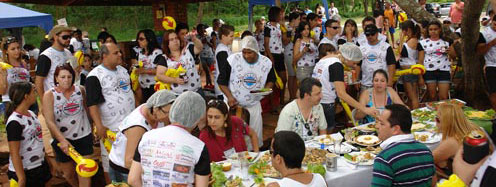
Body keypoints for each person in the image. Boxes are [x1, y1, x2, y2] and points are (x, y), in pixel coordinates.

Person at [128, 91, 210, 186]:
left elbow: (133, 179)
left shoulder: (147, 137)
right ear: (198, 118)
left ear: (173, 111)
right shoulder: (199, 147)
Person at [86, 42, 136, 180]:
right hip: (111, 128)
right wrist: (99, 125)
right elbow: (92, 104)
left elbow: (130, 92)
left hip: (130, 125)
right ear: (104, 56)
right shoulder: (94, 76)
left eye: (119, 52)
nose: (120, 54)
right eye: (115, 53)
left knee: (130, 159)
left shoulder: (123, 70)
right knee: (110, 161)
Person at [218, 36, 276, 148]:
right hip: (234, 106)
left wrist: (264, 91)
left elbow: (271, 80)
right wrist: (230, 97)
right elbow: (221, 82)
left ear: (256, 50)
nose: (246, 56)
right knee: (234, 135)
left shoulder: (266, 63)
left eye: (250, 53)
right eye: (244, 52)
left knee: (254, 135)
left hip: (253, 104)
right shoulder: (232, 60)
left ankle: (253, 156)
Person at [108, 90, 176, 183]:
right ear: (155, 108)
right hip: (124, 171)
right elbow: (128, 161)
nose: (169, 117)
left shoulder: (150, 110)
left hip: (141, 164)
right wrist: (154, 173)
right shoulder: (137, 127)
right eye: (166, 113)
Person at [42, 64, 92, 187]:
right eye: (63, 77)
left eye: (69, 77)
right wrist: (62, 140)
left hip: (83, 135)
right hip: (62, 139)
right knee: (68, 173)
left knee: (84, 172)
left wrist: (92, 126)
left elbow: (87, 110)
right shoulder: (49, 95)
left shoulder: (80, 90)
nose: (66, 80)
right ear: (56, 78)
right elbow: (49, 121)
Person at [372, 104, 435, 186]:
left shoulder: (385, 158)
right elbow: (433, 182)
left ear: (395, 129)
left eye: (382, 124)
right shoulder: (426, 150)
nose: (377, 126)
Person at [6, 82, 51, 187]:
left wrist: (47, 161)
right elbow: (14, 153)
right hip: (26, 170)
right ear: (26, 96)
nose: (35, 94)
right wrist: (21, 177)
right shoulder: (15, 122)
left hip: (39, 165)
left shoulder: (31, 114)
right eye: (33, 92)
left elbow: (38, 141)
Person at [432, 103, 480, 179]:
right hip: (480, 173)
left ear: (447, 123)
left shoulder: (451, 142)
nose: (435, 122)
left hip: (464, 179)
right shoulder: (473, 127)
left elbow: (429, 160)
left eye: (437, 119)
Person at [155, 30, 203, 96]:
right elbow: (159, 75)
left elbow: (199, 48)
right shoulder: (164, 58)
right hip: (178, 95)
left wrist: (194, 39)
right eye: (171, 39)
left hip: (196, 91)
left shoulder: (188, 49)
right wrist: (175, 80)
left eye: (176, 38)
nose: (175, 41)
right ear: (167, 44)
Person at [35, 25, 73, 103]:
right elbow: (39, 81)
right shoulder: (46, 56)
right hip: (53, 100)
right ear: (55, 37)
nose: (68, 39)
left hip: (69, 98)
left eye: (70, 37)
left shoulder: (68, 53)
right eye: (65, 37)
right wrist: (43, 102)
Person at [418, 21, 453, 101]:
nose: (433, 31)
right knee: (432, 96)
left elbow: (453, 56)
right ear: (428, 31)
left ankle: (444, 112)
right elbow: (420, 60)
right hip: (429, 71)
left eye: (435, 29)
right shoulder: (422, 43)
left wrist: (450, 52)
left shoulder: (446, 42)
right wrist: (420, 77)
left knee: (443, 97)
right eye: (431, 29)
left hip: (444, 70)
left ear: (440, 30)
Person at [358, 24, 396, 90]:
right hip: (366, 83)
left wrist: (390, 81)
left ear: (377, 34)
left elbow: (391, 64)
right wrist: (357, 80)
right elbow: (358, 65)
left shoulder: (386, 47)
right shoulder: (361, 48)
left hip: (382, 83)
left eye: (372, 34)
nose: (370, 36)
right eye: (367, 35)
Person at [131, 29, 163, 104]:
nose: (138, 41)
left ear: (150, 39)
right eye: (138, 39)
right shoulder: (140, 53)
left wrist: (144, 71)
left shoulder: (157, 53)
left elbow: (160, 70)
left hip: (154, 86)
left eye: (141, 39)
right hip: (143, 87)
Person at [264, 6, 288, 104]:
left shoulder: (279, 26)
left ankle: (281, 101)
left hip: (280, 54)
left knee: (283, 79)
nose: (282, 15)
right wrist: (270, 57)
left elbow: (284, 41)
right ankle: (273, 104)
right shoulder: (268, 27)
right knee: (272, 81)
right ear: (275, 15)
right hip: (272, 55)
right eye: (280, 14)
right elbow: (266, 44)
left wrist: (284, 29)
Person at [398, 20, 421, 109]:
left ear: (407, 30)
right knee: (409, 95)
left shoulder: (413, 40)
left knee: (413, 96)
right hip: (405, 70)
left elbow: (400, 51)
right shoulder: (409, 40)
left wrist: (401, 37)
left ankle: (415, 113)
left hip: (410, 70)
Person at [0, 37, 30, 104]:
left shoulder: (23, 64)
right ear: (6, 51)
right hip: (10, 101)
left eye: (18, 48)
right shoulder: (2, 66)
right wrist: (4, 76)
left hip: (26, 100)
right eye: (13, 49)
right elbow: (2, 91)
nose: (17, 51)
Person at [477, 15, 496, 111]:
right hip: (492, 66)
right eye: (495, 24)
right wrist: (492, 43)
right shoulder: (484, 33)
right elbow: (480, 51)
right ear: (492, 21)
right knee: (494, 92)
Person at [214, 25, 235, 100]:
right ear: (223, 36)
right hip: (222, 90)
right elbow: (224, 71)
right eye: (231, 36)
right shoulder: (222, 51)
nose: (233, 38)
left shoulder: (225, 48)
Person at [284, 12, 301, 101]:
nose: (299, 21)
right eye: (298, 19)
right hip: (289, 54)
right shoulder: (287, 28)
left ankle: (294, 96)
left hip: (295, 54)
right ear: (293, 20)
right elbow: (285, 42)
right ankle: (291, 96)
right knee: (291, 75)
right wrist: (292, 34)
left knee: (295, 76)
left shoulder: (296, 28)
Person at [197, 24, 215, 88]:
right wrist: (201, 42)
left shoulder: (207, 36)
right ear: (197, 30)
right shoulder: (197, 38)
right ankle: (209, 84)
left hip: (210, 55)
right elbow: (196, 47)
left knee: (213, 70)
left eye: (202, 28)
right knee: (206, 71)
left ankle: (212, 84)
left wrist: (206, 42)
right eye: (200, 29)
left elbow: (212, 45)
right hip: (202, 56)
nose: (201, 30)